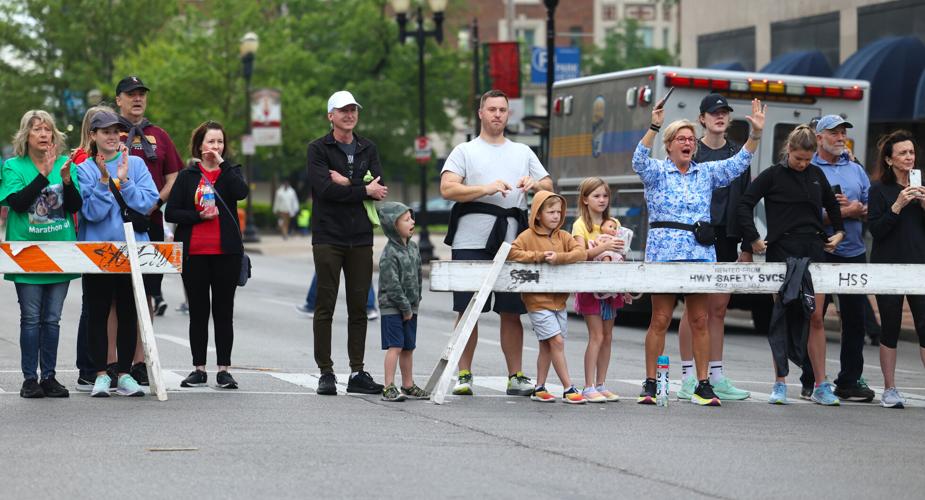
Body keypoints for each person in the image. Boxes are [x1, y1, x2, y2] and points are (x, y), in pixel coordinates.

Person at [633, 98, 765, 406]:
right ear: (669, 145)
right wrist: (654, 126)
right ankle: (651, 383)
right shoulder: (656, 172)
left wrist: (755, 134)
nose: (688, 143)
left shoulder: (705, 173)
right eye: (681, 139)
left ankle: (703, 384)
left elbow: (739, 163)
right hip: (664, 254)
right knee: (660, 319)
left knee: (700, 320)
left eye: (691, 140)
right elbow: (638, 160)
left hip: (698, 253)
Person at [440, 89, 553, 397]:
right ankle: (463, 373)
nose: (497, 114)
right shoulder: (465, 151)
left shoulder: (522, 152)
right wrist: (485, 188)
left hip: (513, 238)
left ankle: (515, 376)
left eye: (502, 110)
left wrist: (534, 184)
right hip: (470, 238)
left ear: (508, 114)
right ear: (481, 113)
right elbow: (447, 188)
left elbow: (548, 184)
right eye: (491, 109)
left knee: (511, 310)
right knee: (467, 309)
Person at [737, 125, 845, 406]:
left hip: (813, 250)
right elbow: (744, 204)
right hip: (781, 251)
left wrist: (839, 232)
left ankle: (821, 384)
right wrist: (753, 239)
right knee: (782, 317)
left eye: (808, 159)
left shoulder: (817, 174)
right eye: (799, 159)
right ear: (789, 151)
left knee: (816, 318)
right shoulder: (773, 175)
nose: (803, 164)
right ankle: (780, 383)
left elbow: (832, 207)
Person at [307, 90, 387, 395]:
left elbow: (378, 186)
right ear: (331, 116)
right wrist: (362, 188)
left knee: (359, 306)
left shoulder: (368, 147)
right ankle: (325, 372)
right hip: (328, 235)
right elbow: (325, 190)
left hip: (361, 236)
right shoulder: (318, 149)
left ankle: (357, 371)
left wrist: (350, 184)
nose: (349, 114)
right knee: (324, 304)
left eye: (353, 109)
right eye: (343, 110)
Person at [76, 110, 160, 397]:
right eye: (105, 132)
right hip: (97, 250)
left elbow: (147, 203)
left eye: (116, 131)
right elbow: (92, 213)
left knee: (128, 312)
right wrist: (103, 180)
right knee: (97, 312)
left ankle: (124, 373)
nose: (112, 136)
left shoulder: (134, 164)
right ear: (93, 136)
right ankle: (101, 373)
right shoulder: (85, 168)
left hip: (131, 249)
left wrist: (124, 180)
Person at [676, 94, 752, 402]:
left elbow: (746, 199)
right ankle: (687, 376)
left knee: (718, 308)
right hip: (698, 235)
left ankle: (717, 376)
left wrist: (748, 243)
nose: (719, 117)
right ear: (702, 119)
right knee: (695, 309)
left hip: (728, 235)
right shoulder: (694, 151)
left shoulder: (738, 154)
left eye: (724, 113)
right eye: (713, 113)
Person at [1, 110, 81, 398]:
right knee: (31, 318)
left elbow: (74, 206)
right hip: (26, 252)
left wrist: (67, 181)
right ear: (26, 135)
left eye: (48, 129)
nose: (44, 134)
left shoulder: (64, 163)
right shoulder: (13, 166)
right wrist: (43, 175)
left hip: (60, 251)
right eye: (37, 129)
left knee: (52, 319)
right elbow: (19, 204)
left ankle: (49, 377)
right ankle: (29, 379)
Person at [165, 121, 249, 389]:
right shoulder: (187, 176)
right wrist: (198, 216)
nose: (215, 146)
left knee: (224, 311)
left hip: (226, 253)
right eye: (210, 142)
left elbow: (241, 193)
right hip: (194, 253)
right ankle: (198, 368)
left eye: (220, 142)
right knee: (198, 312)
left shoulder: (230, 172)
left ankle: (224, 369)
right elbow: (171, 213)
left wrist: (222, 164)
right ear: (199, 145)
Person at [801, 115, 874, 402]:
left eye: (843, 132)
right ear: (819, 137)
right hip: (820, 253)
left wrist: (860, 208)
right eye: (834, 133)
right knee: (814, 317)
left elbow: (871, 207)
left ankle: (850, 380)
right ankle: (811, 379)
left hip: (853, 252)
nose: (840, 137)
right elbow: (803, 214)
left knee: (856, 319)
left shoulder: (856, 169)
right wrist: (843, 212)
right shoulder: (809, 168)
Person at [115, 76, 183, 383]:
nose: (138, 99)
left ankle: (141, 361)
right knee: (116, 296)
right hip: (113, 225)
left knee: (149, 293)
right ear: (119, 99)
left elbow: (174, 176)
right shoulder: (108, 132)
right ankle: (115, 362)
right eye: (131, 94)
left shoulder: (160, 136)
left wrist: (154, 203)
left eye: (141, 94)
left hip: (150, 223)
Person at [509, 191, 588, 404]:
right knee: (557, 341)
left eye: (558, 212)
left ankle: (539, 387)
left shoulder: (563, 236)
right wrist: (539, 257)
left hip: (559, 301)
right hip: (537, 301)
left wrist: (561, 258)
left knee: (547, 345)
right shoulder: (526, 236)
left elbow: (581, 252)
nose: (555, 216)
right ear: (537, 214)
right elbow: (512, 252)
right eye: (550, 212)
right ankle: (568, 388)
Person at [868, 130, 925, 409]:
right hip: (888, 267)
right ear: (889, 160)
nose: (909, 158)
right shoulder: (878, 190)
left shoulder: (922, 187)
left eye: (911, 152)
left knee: (924, 326)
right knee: (889, 327)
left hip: (919, 268)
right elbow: (877, 231)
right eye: (903, 153)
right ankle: (890, 390)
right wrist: (898, 205)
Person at [570, 177, 625, 402]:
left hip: (611, 285)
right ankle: (588, 385)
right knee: (597, 335)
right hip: (589, 286)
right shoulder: (580, 225)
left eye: (605, 196)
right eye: (596, 196)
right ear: (585, 199)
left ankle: (602, 383)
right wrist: (604, 246)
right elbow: (580, 254)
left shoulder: (614, 223)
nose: (602, 200)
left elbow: (621, 251)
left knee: (608, 336)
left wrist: (620, 249)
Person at [376, 201, 427, 402]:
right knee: (395, 346)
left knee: (408, 347)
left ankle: (408, 384)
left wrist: (416, 302)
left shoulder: (413, 248)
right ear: (393, 226)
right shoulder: (389, 254)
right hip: (392, 308)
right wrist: (405, 307)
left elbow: (418, 275)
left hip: (410, 307)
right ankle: (388, 386)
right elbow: (392, 285)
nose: (412, 221)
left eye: (411, 218)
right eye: (406, 219)